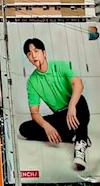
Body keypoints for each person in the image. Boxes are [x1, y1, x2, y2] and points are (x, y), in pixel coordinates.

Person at [17, 36, 91, 171]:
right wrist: (47, 126)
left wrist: (71, 106)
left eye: (36, 51)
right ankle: (74, 134)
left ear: (44, 53)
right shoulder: (32, 82)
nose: (33, 56)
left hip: (75, 109)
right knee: (24, 128)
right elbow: (34, 112)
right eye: (29, 54)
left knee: (81, 99)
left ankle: (80, 143)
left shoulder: (61, 66)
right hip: (60, 117)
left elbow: (78, 84)